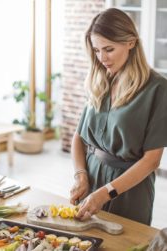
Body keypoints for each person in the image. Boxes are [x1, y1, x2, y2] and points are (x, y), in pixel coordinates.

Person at [69, 8, 167, 225]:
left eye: (109, 49)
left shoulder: (158, 89)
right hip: (91, 182)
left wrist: (105, 193)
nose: (102, 58)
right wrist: (81, 176)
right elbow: (79, 138)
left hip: (130, 192)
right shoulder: (99, 81)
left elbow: (152, 161)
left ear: (130, 42)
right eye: (96, 50)